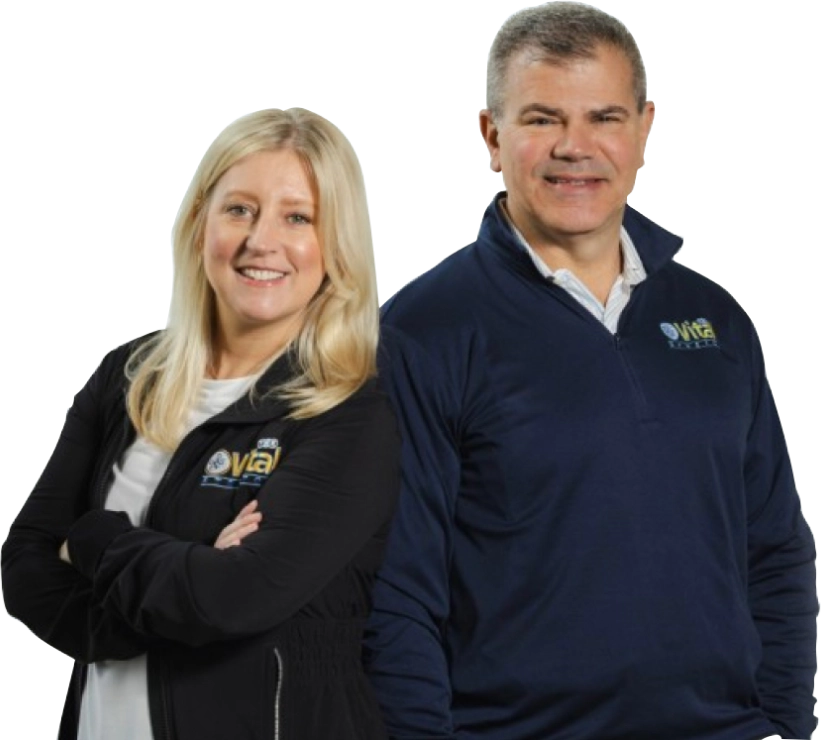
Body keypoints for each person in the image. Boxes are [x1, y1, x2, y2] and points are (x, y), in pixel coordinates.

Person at [361, 3, 816, 740]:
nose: (575, 148)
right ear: (491, 135)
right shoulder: (422, 331)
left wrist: (784, 726)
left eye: (604, 118)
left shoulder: (716, 319)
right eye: (543, 119)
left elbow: (776, 552)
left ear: (644, 126)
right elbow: (396, 594)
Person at [1, 107, 400, 740]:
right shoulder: (131, 375)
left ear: (336, 244)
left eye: (298, 217)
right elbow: (24, 568)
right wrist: (169, 604)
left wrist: (93, 538)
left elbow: (234, 598)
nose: (261, 240)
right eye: (239, 209)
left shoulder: (348, 410)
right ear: (199, 223)